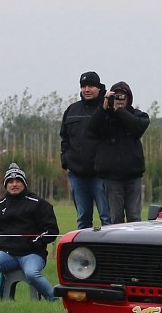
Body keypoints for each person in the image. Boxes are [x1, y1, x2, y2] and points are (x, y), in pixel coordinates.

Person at [0, 163, 60, 301]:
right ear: (6, 185)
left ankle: (54, 299)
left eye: (18, 181)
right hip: (7, 254)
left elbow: (51, 230)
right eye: (10, 181)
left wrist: (36, 242)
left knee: (32, 274)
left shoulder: (39, 204)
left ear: (24, 183)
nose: (14, 184)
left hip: (33, 254)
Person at [90, 80, 150, 223]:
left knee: (134, 217)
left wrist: (120, 111)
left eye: (123, 96)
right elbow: (91, 128)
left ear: (129, 98)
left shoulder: (138, 115)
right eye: (116, 96)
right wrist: (104, 108)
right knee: (115, 217)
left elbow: (138, 128)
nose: (119, 100)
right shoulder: (104, 116)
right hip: (111, 176)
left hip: (133, 175)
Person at [60, 70, 109, 229]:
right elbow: (64, 138)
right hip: (77, 174)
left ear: (99, 88)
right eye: (83, 86)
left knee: (107, 218)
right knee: (82, 219)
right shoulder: (72, 110)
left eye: (91, 86)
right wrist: (66, 160)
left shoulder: (106, 109)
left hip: (101, 174)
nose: (87, 90)